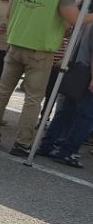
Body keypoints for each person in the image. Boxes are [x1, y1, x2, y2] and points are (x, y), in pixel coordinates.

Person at [0, 0, 93, 156]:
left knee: (3, 92)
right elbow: (75, 19)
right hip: (41, 52)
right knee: (33, 99)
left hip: (15, 45)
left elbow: (10, 16)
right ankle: (23, 142)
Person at [37, 23, 93, 168]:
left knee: (66, 111)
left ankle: (47, 144)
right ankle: (67, 151)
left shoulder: (85, 19)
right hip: (86, 72)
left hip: (76, 68)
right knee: (85, 116)